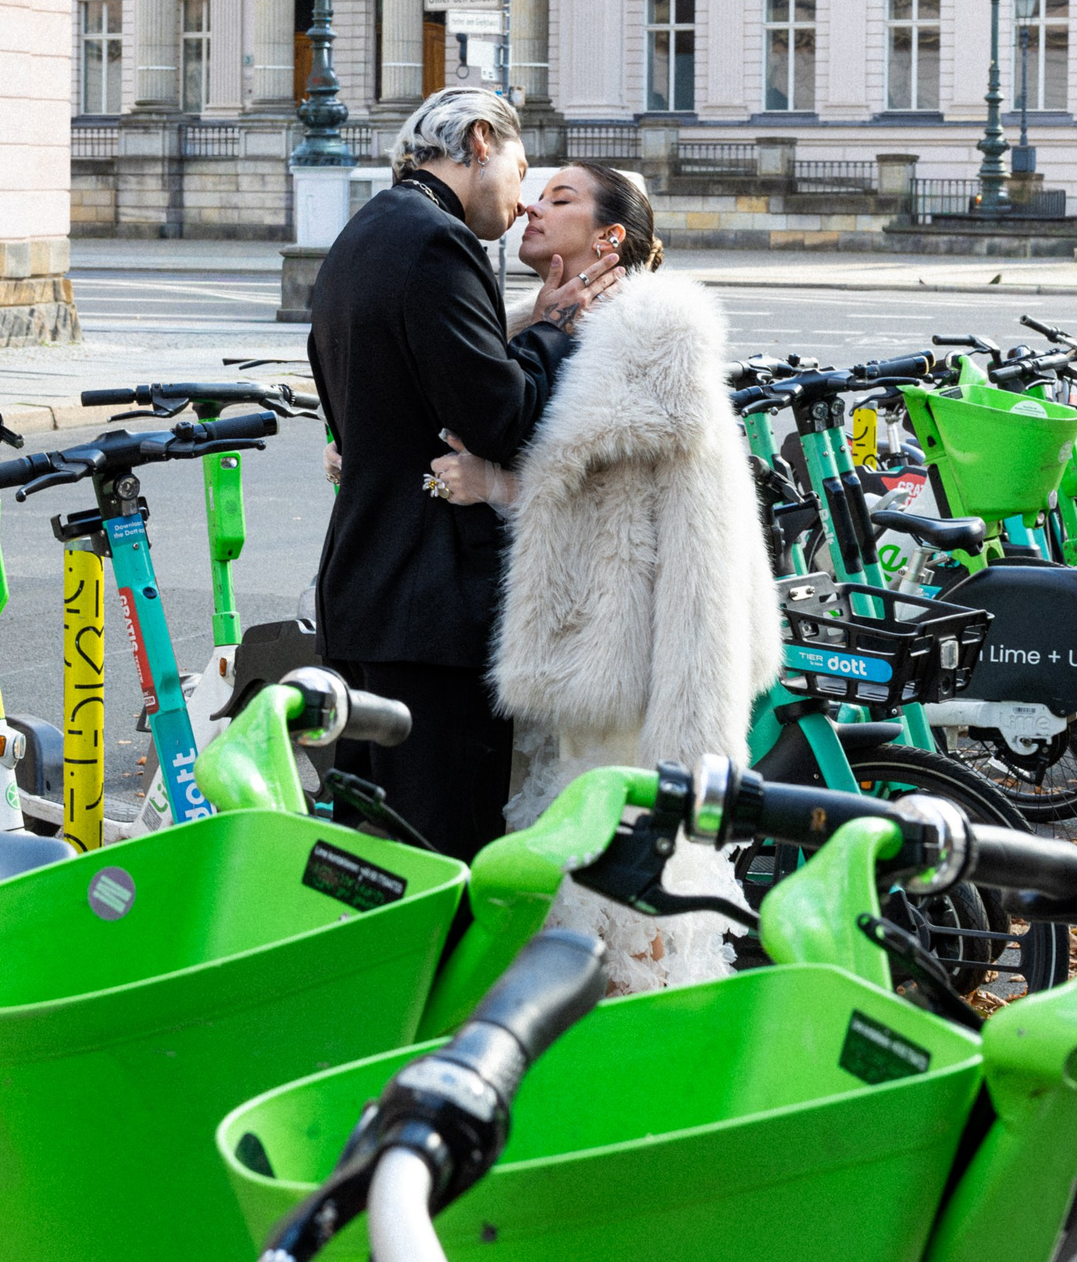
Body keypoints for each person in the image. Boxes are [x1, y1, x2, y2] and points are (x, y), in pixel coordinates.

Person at [428, 162, 782, 991]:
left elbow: (640, 513)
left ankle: (632, 1038)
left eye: (561, 199)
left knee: (614, 896)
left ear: (610, 236)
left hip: (627, 671)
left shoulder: (648, 334)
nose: (531, 207)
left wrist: (495, 485)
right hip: (573, 664)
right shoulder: (552, 328)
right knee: (564, 888)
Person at [306, 89, 623, 858]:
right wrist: (551, 331)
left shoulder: (361, 234)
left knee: (365, 861)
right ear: (481, 141)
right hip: (429, 612)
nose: (521, 202)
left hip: (363, 591)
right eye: (521, 169)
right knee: (442, 860)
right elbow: (502, 422)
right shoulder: (437, 243)